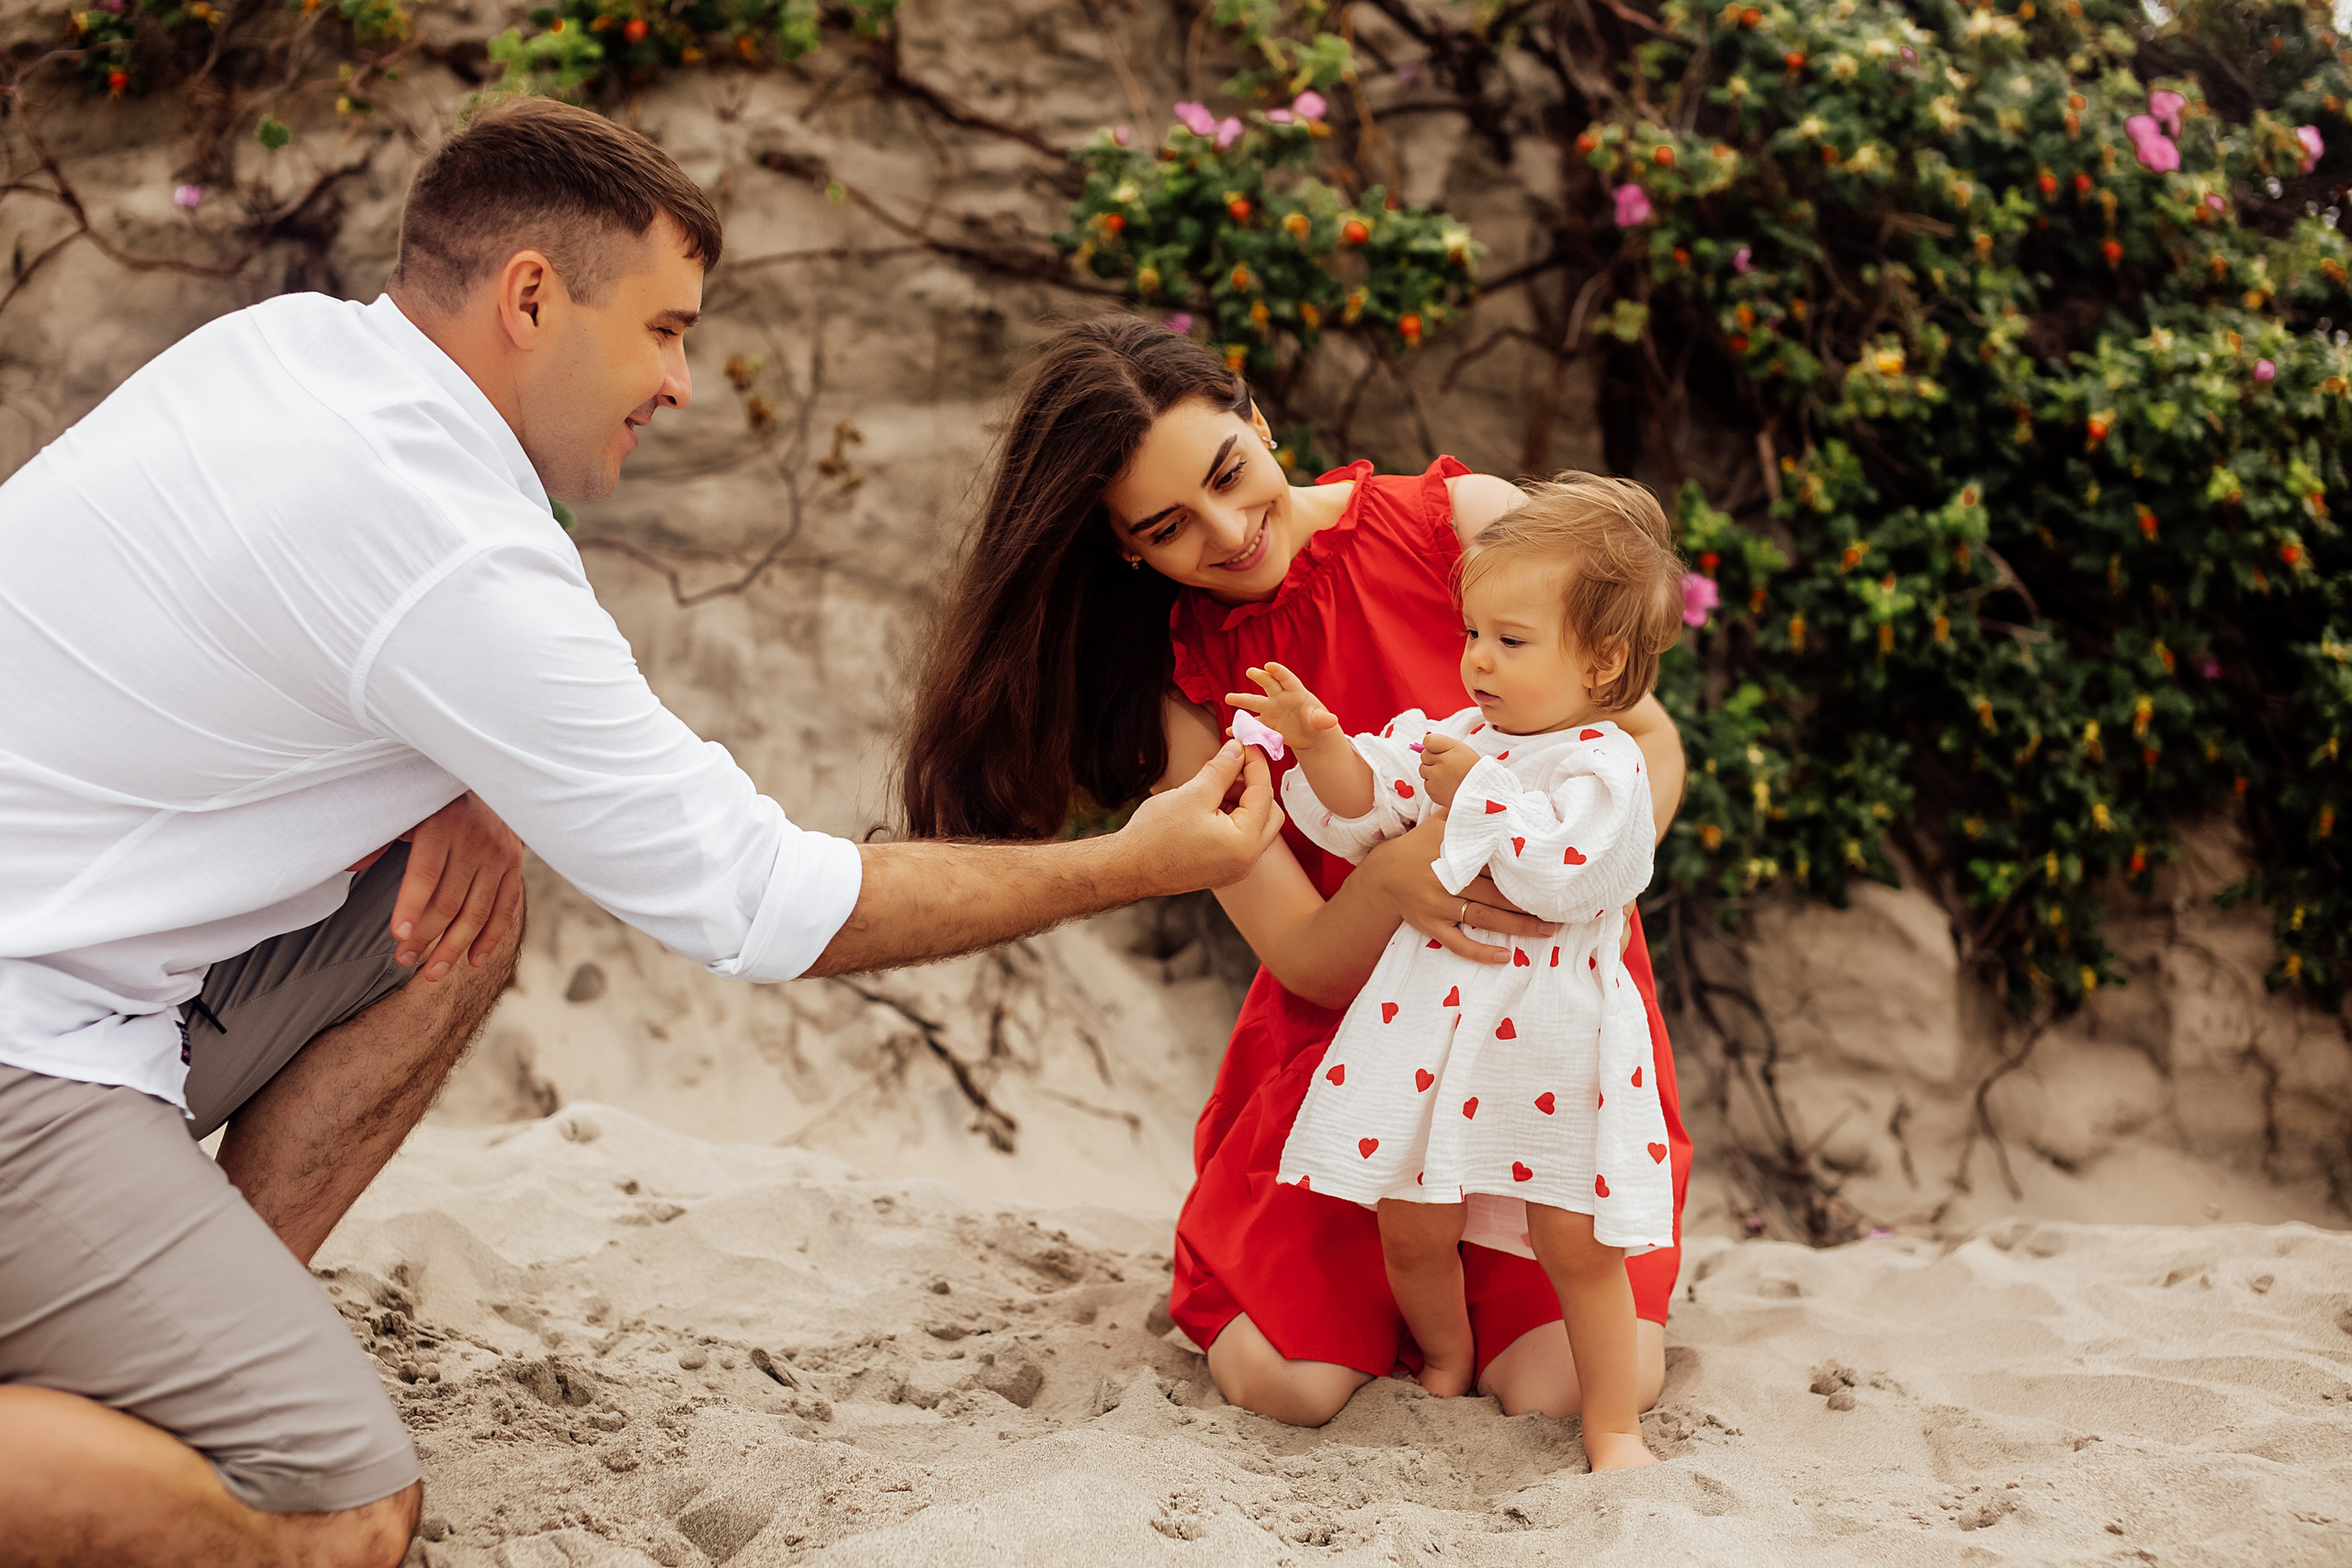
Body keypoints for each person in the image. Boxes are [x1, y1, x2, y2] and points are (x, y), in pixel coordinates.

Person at [0, 99, 1280, 1568]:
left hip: (76, 964)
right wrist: (1132, 859)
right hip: (22, 1040)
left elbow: (290, 626)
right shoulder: (444, 538)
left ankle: (170, 1340)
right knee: (336, 1512)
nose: (680, 382)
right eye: (665, 329)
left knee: (448, 927)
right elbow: (750, 896)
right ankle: (184, 1391)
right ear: (532, 293)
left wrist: (459, 775)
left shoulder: (289, 351)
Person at [900, 315, 1693, 1430]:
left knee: (1564, 1389)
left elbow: (1648, 744)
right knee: (1289, 1383)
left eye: (1231, 473)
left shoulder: (1462, 525)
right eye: (1168, 528)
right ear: (1124, 548)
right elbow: (1309, 962)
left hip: (1541, 1014)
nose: (1226, 531)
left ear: (1259, 420)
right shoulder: (1183, 696)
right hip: (1359, 1036)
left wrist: (1566, 875)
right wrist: (1399, 878)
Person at [1243, 474, 1686, 1471]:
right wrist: (1318, 742)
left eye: (1511, 641)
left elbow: (1568, 874)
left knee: (1575, 1242)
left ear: (1602, 658)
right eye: (1473, 633)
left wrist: (1476, 792)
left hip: (1549, 1037)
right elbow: (1369, 805)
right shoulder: (1463, 739)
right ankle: (1442, 1361)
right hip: (1435, 1022)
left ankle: (1613, 1428)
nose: (1478, 659)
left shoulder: (1599, 765)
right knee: (1411, 1217)